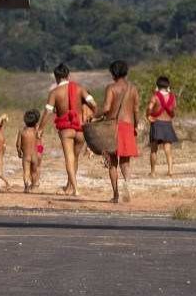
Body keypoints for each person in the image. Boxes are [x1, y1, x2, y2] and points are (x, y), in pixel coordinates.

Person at [38, 63, 97, 196]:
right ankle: (69, 187)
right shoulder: (79, 88)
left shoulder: (54, 93)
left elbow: (47, 112)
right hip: (80, 129)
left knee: (69, 158)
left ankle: (75, 189)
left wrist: (40, 128)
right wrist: (92, 117)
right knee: (75, 158)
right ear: (68, 75)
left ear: (56, 77)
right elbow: (93, 104)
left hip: (66, 129)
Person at [98, 59, 140, 204]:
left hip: (112, 126)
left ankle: (116, 195)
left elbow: (106, 108)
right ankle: (127, 185)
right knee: (125, 162)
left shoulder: (111, 88)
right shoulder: (133, 88)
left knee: (112, 162)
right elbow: (136, 110)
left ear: (113, 73)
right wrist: (136, 125)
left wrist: (93, 116)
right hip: (128, 125)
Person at [146, 75, 178, 177]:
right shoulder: (172, 97)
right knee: (168, 149)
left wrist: (148, 116)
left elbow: (149, 107)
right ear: (168, 85)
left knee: (154, 149)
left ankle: (153, 172)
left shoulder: (155, 96)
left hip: (157, 123)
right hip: (167, 123)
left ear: (157, 85)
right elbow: (174, 109)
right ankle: (170, 171)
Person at [17, 109, 43, 193]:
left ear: (25, 120)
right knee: (34, 172)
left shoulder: (22, 131)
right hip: (35, 156)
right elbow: (40, 141)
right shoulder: (36, 132)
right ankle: (34, 185)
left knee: (26, 172)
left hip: (26, 156)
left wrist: (19, 151)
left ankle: (26, 187)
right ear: (36, 122)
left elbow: (18, 144)